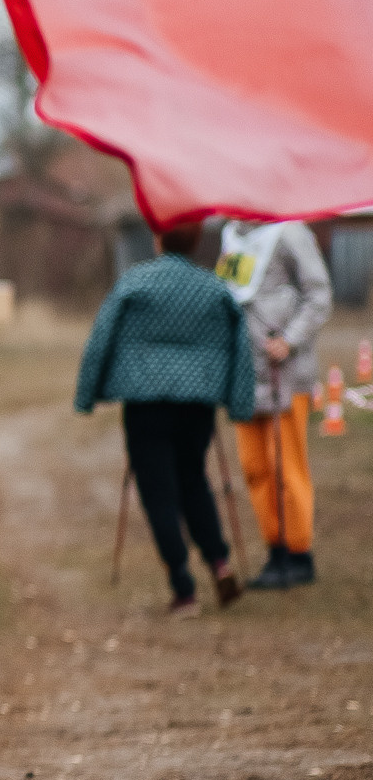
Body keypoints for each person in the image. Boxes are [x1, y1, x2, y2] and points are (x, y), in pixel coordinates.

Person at [76, 222, 255, 615]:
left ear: (157, 239)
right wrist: (239, 402)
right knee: (194, 480)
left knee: (159, 492)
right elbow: (240, 342)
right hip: (197, 403)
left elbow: (101, 337)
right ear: (195, 241)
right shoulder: (214, 288)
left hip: (146, 403)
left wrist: (87, 395)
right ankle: (219, 563)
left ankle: (182, 586)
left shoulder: (136, 282)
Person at [217, 217, 332, 589]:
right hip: (244, 374)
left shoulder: (291, 234)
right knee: (255, 467)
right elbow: (228, 293)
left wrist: (291, 339)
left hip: (284, 372)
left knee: (286, 466)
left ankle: (298, 553)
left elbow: (319, 295)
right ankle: (274, 549)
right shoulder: (233, 237)